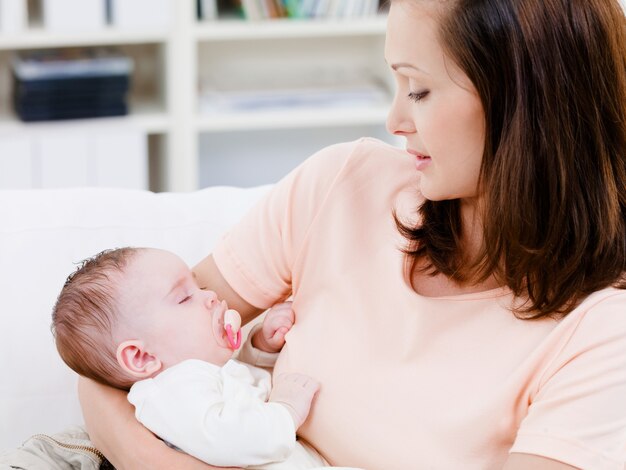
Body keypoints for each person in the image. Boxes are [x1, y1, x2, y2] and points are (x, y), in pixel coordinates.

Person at [78, 0, 626, 469]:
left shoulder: (601, 334)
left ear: (527, 104)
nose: (394, 120)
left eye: (419, 90)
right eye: (396, 82)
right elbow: (114, 355)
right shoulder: (340, 185)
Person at [52, 247, 328, 469]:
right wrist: (287, 409)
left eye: (201, 286)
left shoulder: (195, 377)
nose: (209, 296)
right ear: (141, 356)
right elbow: (232, 438)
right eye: (184, 298)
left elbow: (242, 396)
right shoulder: (171, 392)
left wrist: (261, 349)